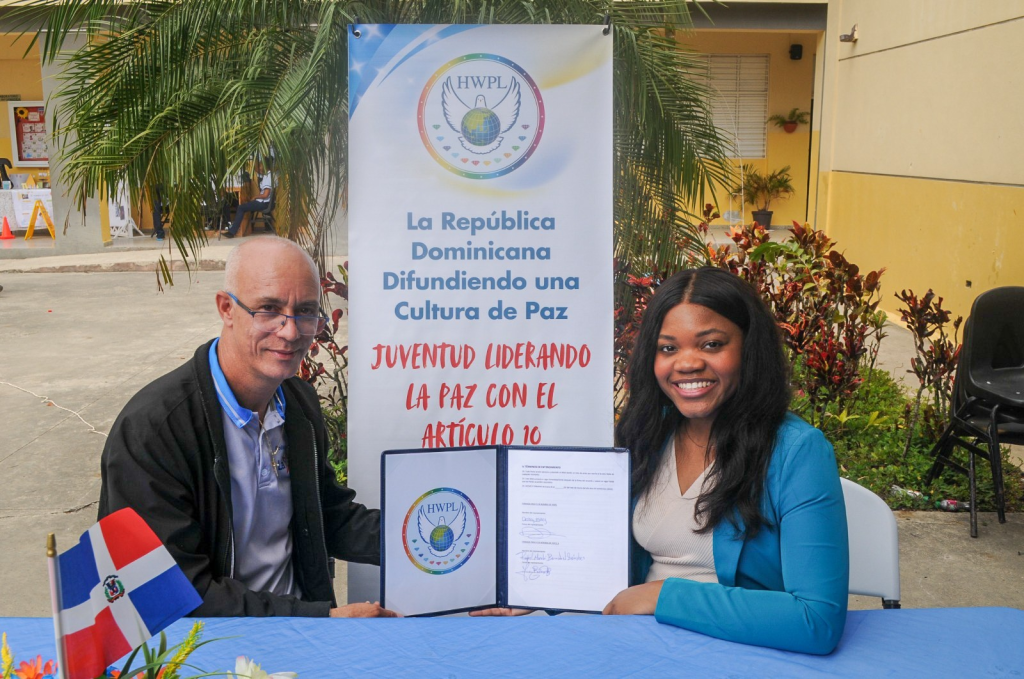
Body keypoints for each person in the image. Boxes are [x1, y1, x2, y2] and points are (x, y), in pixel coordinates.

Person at [99, 236, 396, 618]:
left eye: (305, 311)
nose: (290, 332)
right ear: (226, 308)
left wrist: (427, 539)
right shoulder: (154, 430)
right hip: (207, 643)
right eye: (269, 309)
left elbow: (326, 515)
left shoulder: (298, 403)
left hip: (303, 631)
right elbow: (166, 592)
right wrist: (322, 619)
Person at [604, 267, 848, 654]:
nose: (687, 363)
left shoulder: (797, 452)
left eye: (711, 344)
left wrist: (663, 595)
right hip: (638, 646)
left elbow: (815, 621)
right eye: (668, 348)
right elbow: (608, 568)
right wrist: (537, 591)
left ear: (749, 348)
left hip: (737, 652)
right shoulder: (646, 434)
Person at [224, 164, 272, 238]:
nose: (258, 168)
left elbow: (265, 195)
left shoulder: (268, 177)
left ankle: (232, 232)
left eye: (259, 166)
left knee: (241, 207)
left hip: (263, 203)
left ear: (264, 165)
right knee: (246, 205)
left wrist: (255, 197)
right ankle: (247, 228)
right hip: (264, 202)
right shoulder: (269, 175)